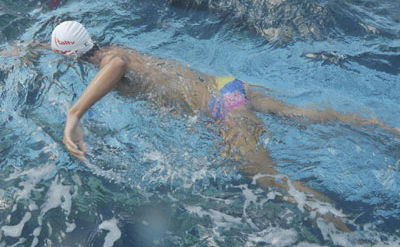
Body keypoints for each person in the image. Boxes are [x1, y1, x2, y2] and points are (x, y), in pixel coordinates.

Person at [51, 20, 400, 229]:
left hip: (222, 109)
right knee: (299, 114)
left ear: (69, 56)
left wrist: (73, 115)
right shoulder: (109, 46)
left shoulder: (113, 60)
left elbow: (115, 66)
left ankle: (347, 232)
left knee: (266, 178)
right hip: (226, 86)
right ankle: (387, 130)